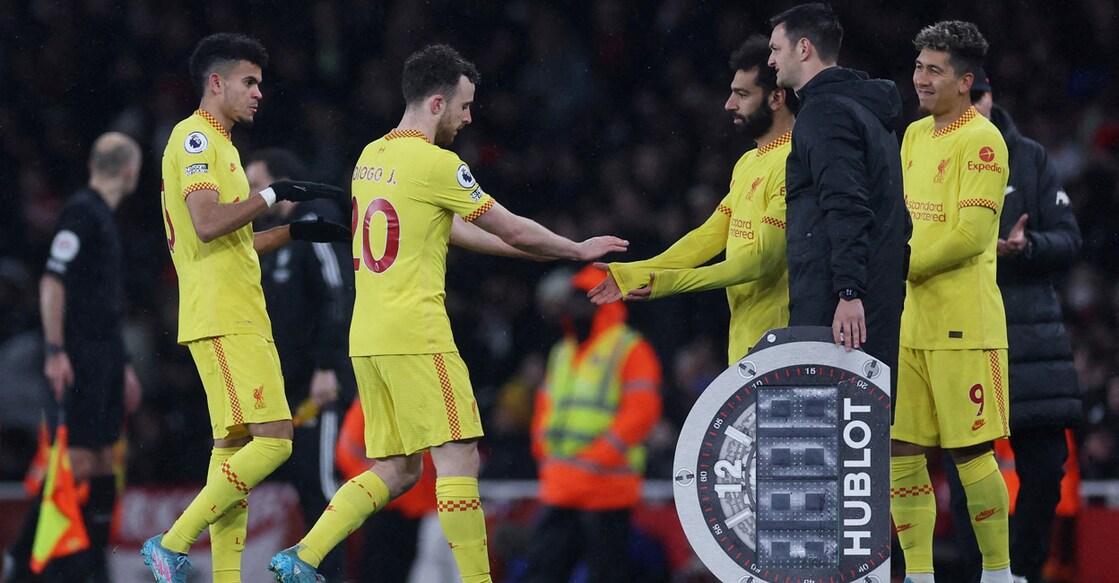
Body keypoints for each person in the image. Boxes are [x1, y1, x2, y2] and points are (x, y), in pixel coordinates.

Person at [267, 43, 628, 583]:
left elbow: (457, 230)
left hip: (368, 336)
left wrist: (531, 252)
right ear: (436, 102)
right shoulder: (438, 164)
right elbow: (508, 224)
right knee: (459, 455)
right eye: (464, 104)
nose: (469, 115)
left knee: (396, 469)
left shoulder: (371, 156)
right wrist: (574, 249)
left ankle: (303, 555)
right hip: (419, 332)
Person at [141, 32, 348, 583]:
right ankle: (172, 541)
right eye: (248, 82)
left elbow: (232, 242)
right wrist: (274, 193)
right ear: (216, 83)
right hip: (225, 313)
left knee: (231, 448)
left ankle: (227, 578)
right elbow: (208, 224)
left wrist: (292, 232)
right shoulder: (193, 139)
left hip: (229, 309)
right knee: (276, 440)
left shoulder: (224, 147)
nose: (259, 93)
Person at [944, 70, 1083, 583]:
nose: (971, 109)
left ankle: (1020, 570)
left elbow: (1070, 240)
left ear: (989, 97)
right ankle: (983, 574)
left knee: (1046, 470)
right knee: (965, 480)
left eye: (976, 97)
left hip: (1029, 335)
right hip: (963, 333)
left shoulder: (1029, 158)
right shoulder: (932, 160)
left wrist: (1029, 247)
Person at [587, 34, 797, 364]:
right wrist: (638, 271)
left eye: (742, 94)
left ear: (776, 98)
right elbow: (707, 237)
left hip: (783, 343)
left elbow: (762, 262)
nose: (729, 104)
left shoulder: (793, 163)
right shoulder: (749, 162)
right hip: (746, 341)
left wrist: (671, 283)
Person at [892, 22, 1012, 583]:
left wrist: (894, 268)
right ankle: (917, 575)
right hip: (911, 321)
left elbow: (968, 237)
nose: (920, 78)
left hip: (965, 324)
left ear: (965, 82)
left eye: (934, 70)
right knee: (901, 448)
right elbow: (901, 223)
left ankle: (997, 573)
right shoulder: (915, 135)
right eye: (918, 66)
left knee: (969, 454)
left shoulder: (983, 140)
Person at [3, 132, 143, 583]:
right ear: (129, 170)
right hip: (79, 356)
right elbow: (52, 281)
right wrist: (55, 350)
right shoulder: (82, 212)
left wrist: (122, 365)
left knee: (104, 461)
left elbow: (101, 301)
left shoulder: (101, 215)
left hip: (104, 357)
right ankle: (30, 561)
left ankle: (89, 565)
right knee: (79, 461)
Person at [766, 3, 910, 375]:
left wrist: (849, 292)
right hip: (872, 294)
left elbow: (846, 203)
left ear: (803, 48)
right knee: (861, 424)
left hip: (836, 306)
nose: (770, 60)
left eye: (775, 49)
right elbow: (896, 215)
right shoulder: (864, 110)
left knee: (824, 424)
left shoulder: (825, 113)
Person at [248, 148, 355, 580]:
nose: (250, 195)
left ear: (283, 184)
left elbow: (338, 291)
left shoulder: (315, 219)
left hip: (321, 386)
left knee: (326, 489)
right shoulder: (280, 236)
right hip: (289, 390)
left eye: (258, 184)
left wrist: (328, 365)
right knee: (307, 487)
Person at [521, 265, 662, 583]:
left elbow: (642, 411)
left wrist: (599, 456)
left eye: (582, 299)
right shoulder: (563, 351)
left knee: (604, 575)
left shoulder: (629, 347)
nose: (574, 307)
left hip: (606, 487)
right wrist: (543, 449)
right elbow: (546, 405)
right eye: (572, 300)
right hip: (562, 483)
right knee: (543, 571)